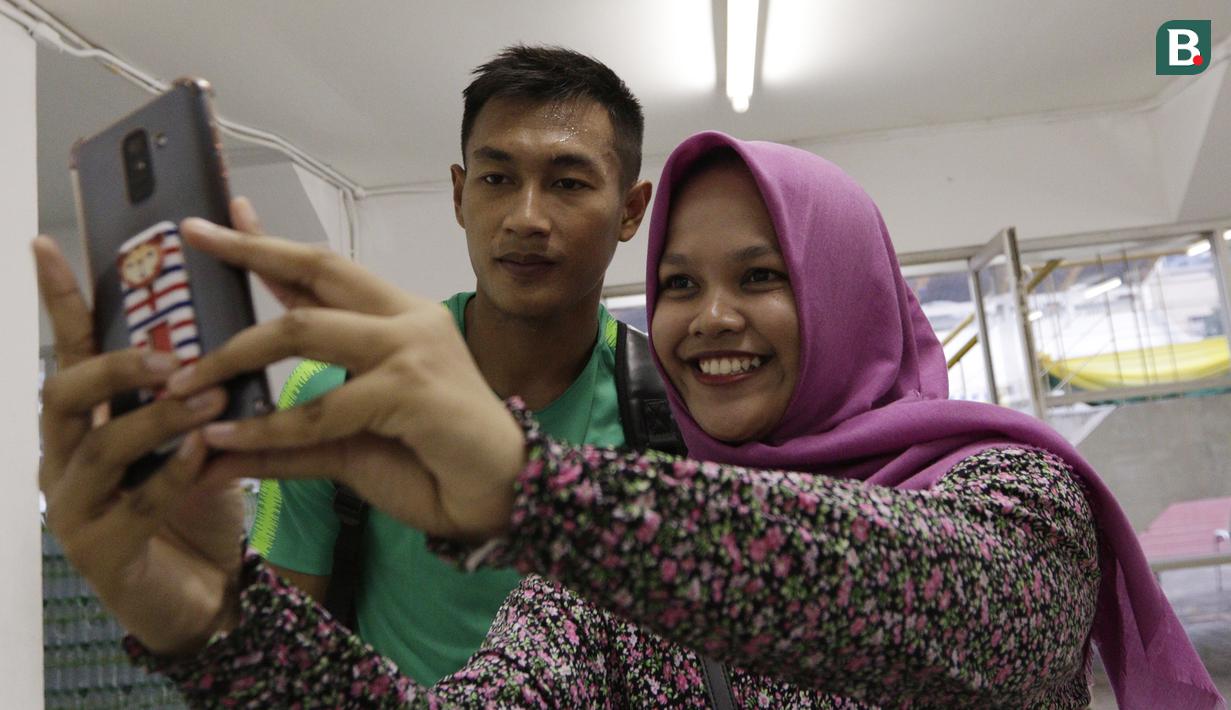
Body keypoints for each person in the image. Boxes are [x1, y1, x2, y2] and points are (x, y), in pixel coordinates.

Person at [36, 133, 1224, 708]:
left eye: (763, 276)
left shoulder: (1007, 497)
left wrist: (534, 489)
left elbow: (915, 598)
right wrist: (215, 624)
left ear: (849, 285)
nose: (709, 319)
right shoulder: (614, 556)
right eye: (674, 284)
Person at [247, 44, 658, 685]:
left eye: (568, 183)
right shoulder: (338, 396)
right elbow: (279, 672)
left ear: (630, 210)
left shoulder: (674, 411)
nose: (525, 218)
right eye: (497, 179)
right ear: (461, 196)